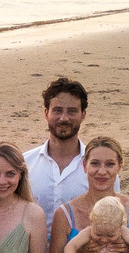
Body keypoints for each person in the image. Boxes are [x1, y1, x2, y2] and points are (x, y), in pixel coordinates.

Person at [24, 77, 92, 216]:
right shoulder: (24, 163)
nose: (64, 118)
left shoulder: (99, 168)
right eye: (57, 110)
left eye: (72, 111)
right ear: (46, 113)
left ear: (83, 115)